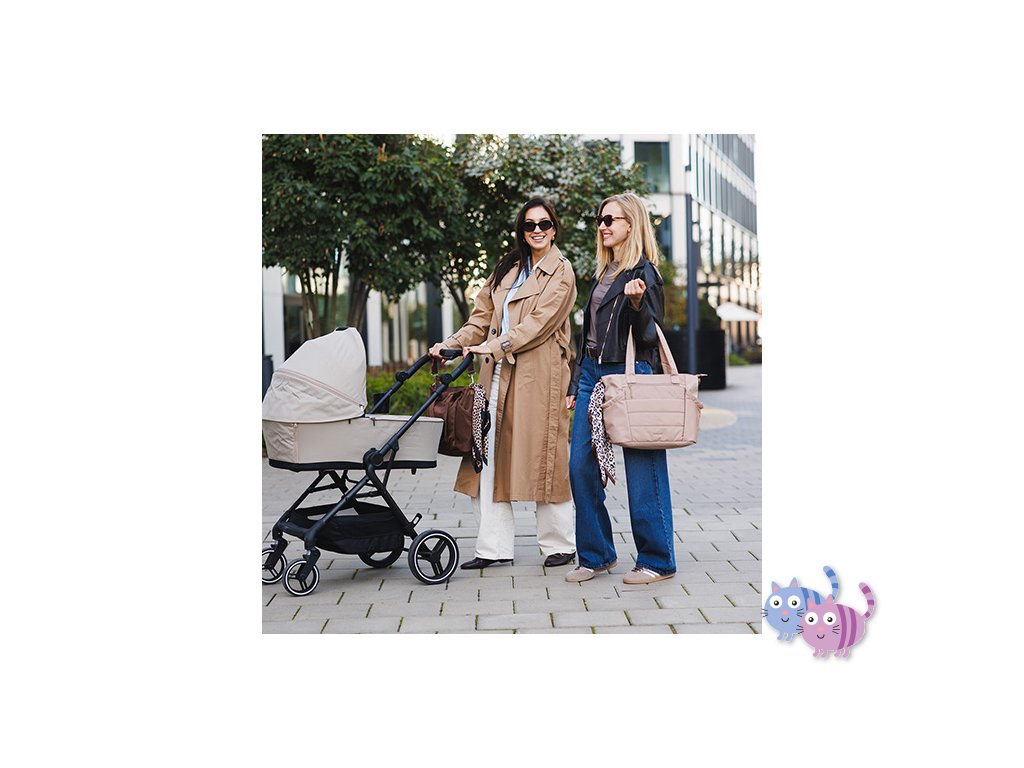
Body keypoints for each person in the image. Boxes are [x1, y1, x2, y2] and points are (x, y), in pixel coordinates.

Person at [429, 197, 577, 569]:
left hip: (539, 375)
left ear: (554, 229)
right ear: (521, 231)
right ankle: (492, 548)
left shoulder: (561, 271)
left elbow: (539, 324)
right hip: (495, 373)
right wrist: (450, 344)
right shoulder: (507, 268)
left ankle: (559, 544)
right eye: (530, 225)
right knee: (485, 455)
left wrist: (495, 346)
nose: (537, 230)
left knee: (545, 456)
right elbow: (480, 318)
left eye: (544, 224)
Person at [565, 192, 677, 585]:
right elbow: (589, 336)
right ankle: (596, 554)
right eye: (600, 219)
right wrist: (575, 380)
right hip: (591, 374)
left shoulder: (645, 273)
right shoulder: (604, 274)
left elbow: (649, 336)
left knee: (642, 469)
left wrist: (637, 305)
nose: (602, 225)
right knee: (580, 466)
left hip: (631, 374)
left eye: (611, 219)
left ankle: (657, 560)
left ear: (631, 224)